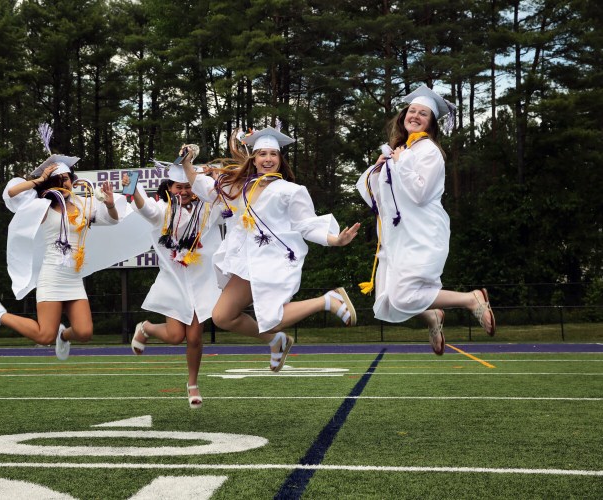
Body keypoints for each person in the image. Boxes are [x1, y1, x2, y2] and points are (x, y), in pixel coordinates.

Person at [183, 125, 361, 371]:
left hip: (273, 260)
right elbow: (202, 185)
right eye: (262, 154)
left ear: (279, 159)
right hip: (245, 262)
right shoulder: (239, 188)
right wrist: (186, 164)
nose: (268, 159)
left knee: (273, 319)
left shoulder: (291, 191)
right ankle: (275, 342)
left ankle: (327, 301)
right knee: (222, 316)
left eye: (273, 154)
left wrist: (335, 240)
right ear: (254, 159)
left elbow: (306, 225)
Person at [0, 125, 151, 360]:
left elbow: (114, 220)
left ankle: (63, 336)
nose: (64, 182)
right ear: (49, 183)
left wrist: (108, 203)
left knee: (85, 332)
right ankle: (0, 315)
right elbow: (12, 193)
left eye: (67, 178)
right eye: (58, 179)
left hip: (74, 276)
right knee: (43, 336)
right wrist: (39, 179)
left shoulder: (84, 204)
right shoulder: (41, 207)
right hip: (52, 274)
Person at [355, 84, 496, 355]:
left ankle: (471, 299)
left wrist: (399, 164)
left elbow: (420, 193)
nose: (415, 116)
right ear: (403, 116)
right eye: (412, 111)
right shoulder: (399, 150)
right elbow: (373, 195)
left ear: (431, 123)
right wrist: (378, 169)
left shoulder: (428, 151)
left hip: (423, 232)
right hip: (399, 236)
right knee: (389, 302)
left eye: (423, 113)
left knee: (404, 295)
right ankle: (433, 316)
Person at [124, 160, 223, 409]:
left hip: (202, 280)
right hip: (174, 281)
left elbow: (228, 196)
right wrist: (133, 188)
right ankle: (146, 328)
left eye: (189, 186)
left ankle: (192, 383)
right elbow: (145, 209)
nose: (185, 191)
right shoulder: (163, 211)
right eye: (179, 187)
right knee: (177, 336)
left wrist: (217, 174)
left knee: (195, 337)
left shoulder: (208, 208)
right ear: (169, 188)